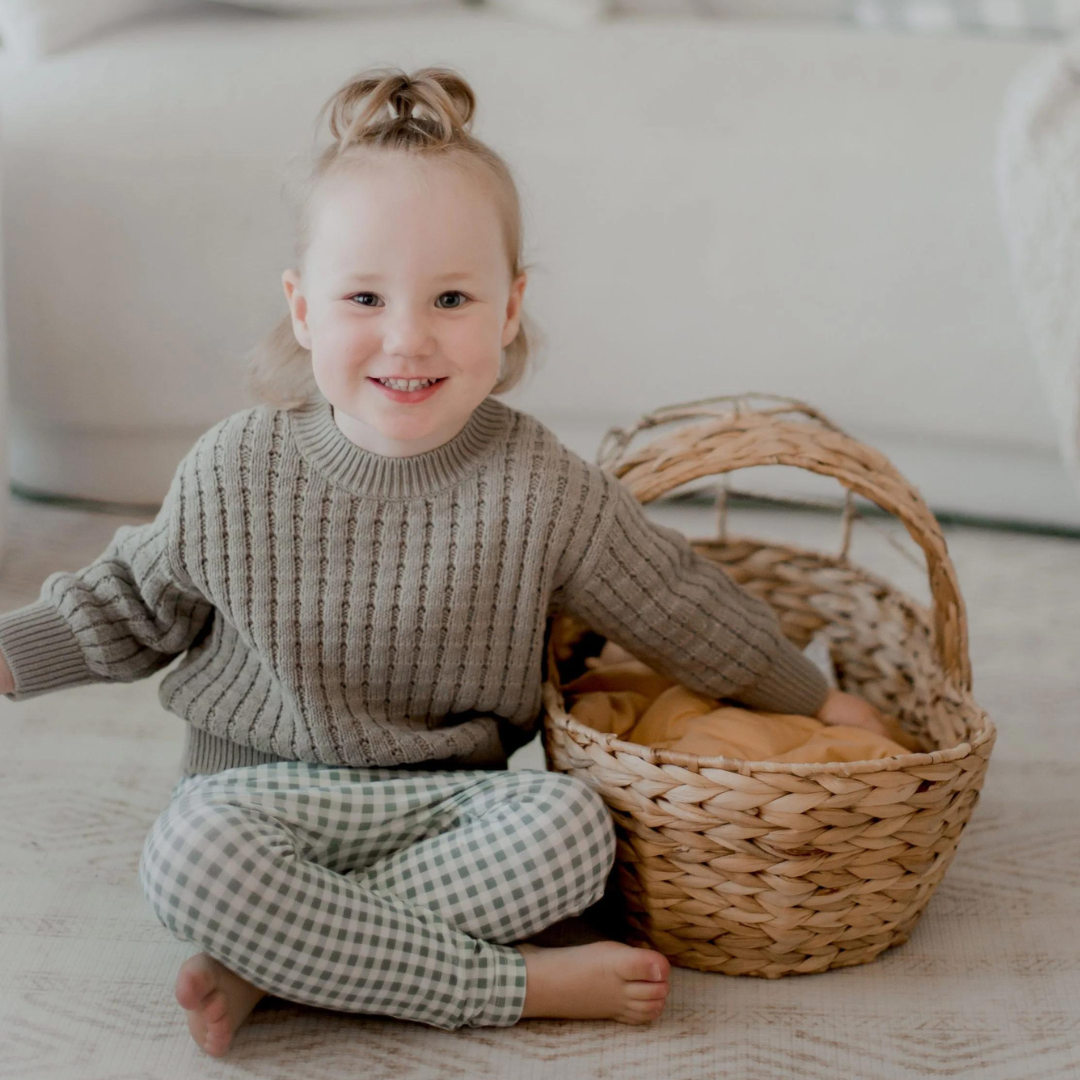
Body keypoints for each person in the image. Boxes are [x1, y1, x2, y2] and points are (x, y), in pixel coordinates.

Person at [0, 65, 891, 1058]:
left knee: (572, 837)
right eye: (365, 296)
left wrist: (810, 700)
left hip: (445, 805)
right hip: (257, 803)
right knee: (188, 861)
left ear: (509, 311)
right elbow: (125, 604)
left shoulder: (540, 482)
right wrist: (10, 654)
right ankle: (504, 985)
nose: (407, 338)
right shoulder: (235, 466)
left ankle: (270, 960)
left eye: (452, 298)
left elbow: (674, 601)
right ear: (303, 309)